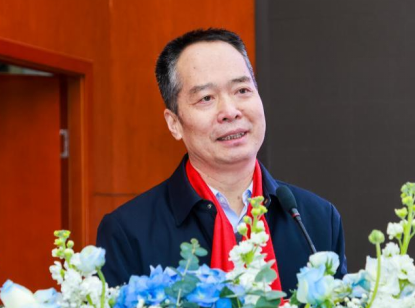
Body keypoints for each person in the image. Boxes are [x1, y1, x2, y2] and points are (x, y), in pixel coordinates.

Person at [96, 28, 346, 294]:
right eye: (206, 98)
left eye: (242, 90)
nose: (230, 111)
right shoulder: (128, 232)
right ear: (174, 123)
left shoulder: (316, 219)